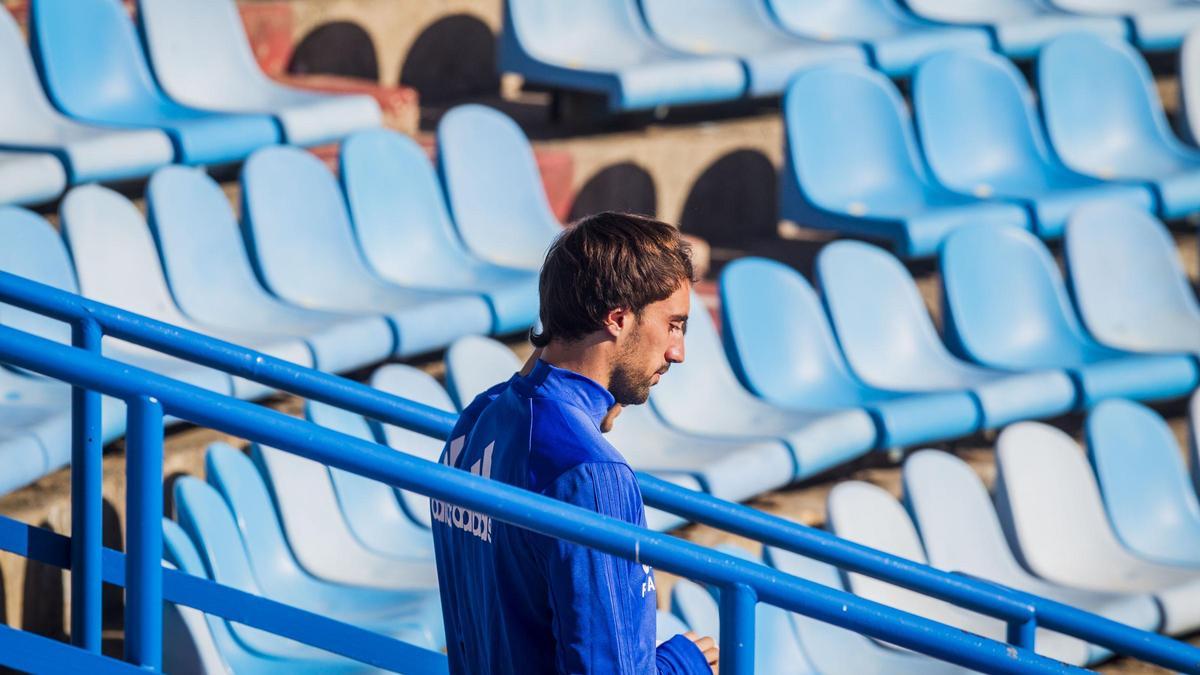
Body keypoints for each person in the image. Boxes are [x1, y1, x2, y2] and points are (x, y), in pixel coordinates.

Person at [431, 212, 719, 674]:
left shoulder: (476, 421)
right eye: (674, 325)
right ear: (619, 318)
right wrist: (683, 664)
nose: (677, 351)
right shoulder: (592, 475)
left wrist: (585, 404)